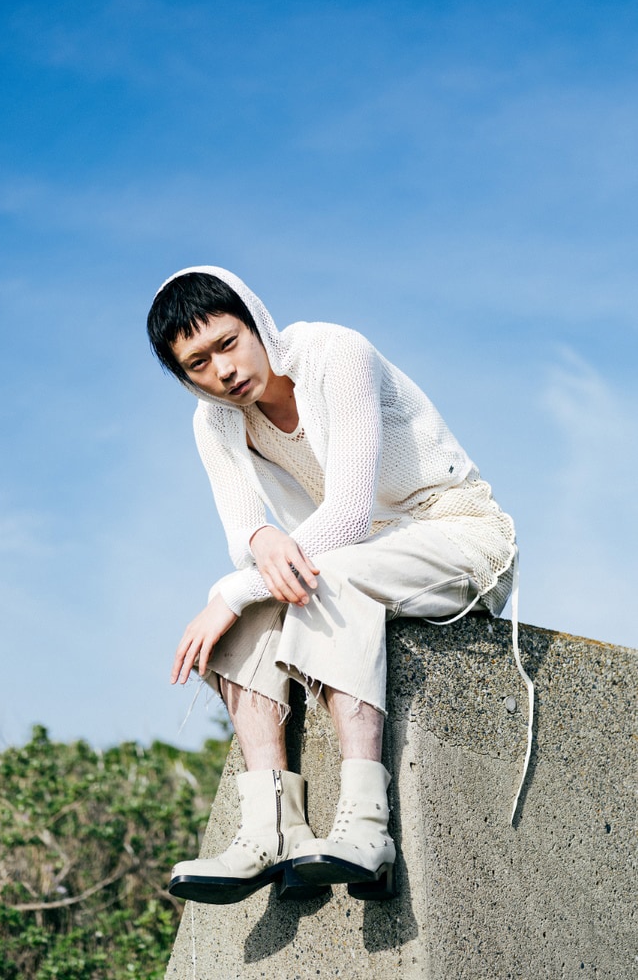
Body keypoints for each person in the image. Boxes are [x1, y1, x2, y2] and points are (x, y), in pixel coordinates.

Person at [146, 266, 517, 905]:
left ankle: (366, 827)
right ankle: (270, 829)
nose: (223, 372)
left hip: (458, 536)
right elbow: (244, 535)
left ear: (257, 323)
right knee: (246, 602)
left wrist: (235, 590)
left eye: (228, 343)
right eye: (197, 364)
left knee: (295, 582)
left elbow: (347, 516)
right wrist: (256, 549)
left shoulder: (334, 354)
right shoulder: (215, 422)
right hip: (362, 555)